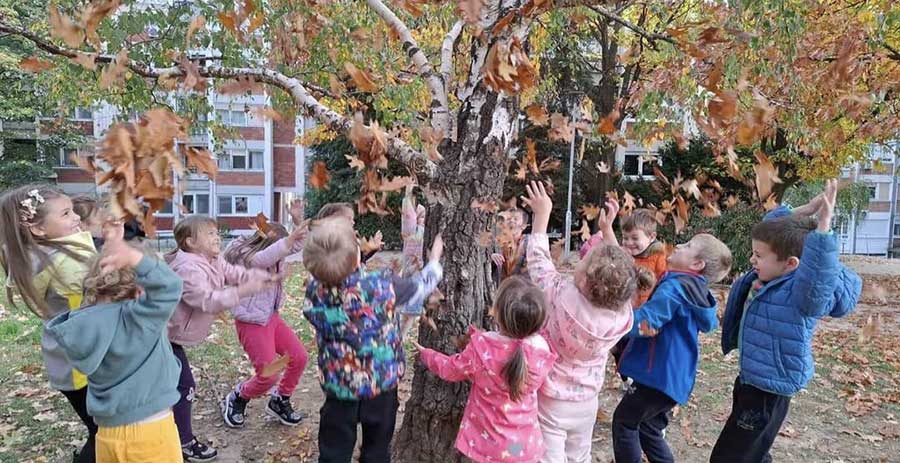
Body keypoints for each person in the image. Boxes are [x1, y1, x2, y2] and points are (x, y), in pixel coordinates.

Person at [710, 179, 862, 463]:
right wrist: (805, 211)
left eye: (758, 256)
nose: (752, 260)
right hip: (752, 381)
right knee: (753, 453)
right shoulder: (772, 276)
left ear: (791, 264)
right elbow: (771, 229)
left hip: (768, 391)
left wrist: (823, 228)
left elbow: (817, 275)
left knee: (729, 457)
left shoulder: (802, 294)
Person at [520, 181, 644, 463]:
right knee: (579, 456)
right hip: (587, 401)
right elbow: (623, 272)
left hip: (552, 398)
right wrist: (607, 231)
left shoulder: (562, 298)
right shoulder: (622, 316)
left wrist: (542, 216)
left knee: (549, 458)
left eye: (584, 261)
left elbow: (539, 263)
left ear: (585, 280)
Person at [302, 217, 443, 462]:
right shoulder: (382, 286)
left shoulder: (315, 291)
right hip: (381, 383)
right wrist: (434, 262)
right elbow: (420, 286)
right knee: (377, 449)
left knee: (334, 449)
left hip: (339, 383)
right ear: (357, 258)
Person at [45, 222, 183, 462]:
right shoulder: (139, 319)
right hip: (149, 435)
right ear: (140, 292)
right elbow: (170, 286)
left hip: (107, 435)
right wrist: (134, 257)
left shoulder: (84, 324)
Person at [165, 215, 279, 461]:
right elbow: (207, 300)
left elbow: (233, 272)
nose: (217, 237)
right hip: (162, 337)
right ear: (190, 242)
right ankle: (183, 442)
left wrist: (255, 278)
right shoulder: (188, 269)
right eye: (210, 234)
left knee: (175, 386)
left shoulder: (213, 259)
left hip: (172, 337)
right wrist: (244, 291)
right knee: (184, 386)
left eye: (216, 232)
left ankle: (168, 434)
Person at [611, 232, 732, 463]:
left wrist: (613, 322)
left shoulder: (676, 288)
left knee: (625, 421)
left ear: (697, 264)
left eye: (688, 245)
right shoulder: (694, 290)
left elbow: (648, 322)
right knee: (649, 429)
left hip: (658, 376)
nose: (678, 245)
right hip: (675, 378)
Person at [0, 185, 98, 463]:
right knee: (103, 430)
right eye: (66, 213)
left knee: (100, 428)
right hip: (82, 363)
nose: (76, 217)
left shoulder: (41, 254)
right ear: (38, 229)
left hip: (67, 357)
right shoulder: (64, 263)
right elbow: (103, 295)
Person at [413, 276, 557, 462]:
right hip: (523, 446)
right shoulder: (541, 350)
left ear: (498, 314)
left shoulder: (482, 348)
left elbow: (452, 368)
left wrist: (428, 355)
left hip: (489, 445)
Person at [221, 201, 310, 428]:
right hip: (251, 322)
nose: (284, 254)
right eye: (282, 248)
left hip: (271, 318)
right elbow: (265, 258)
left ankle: (280, 400)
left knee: (299, 357)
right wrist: (288, 241)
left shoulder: (273, 252)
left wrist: (298, 221)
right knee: (268, 375)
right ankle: (238, 396)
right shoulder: (245, 257)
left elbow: (295, 246)